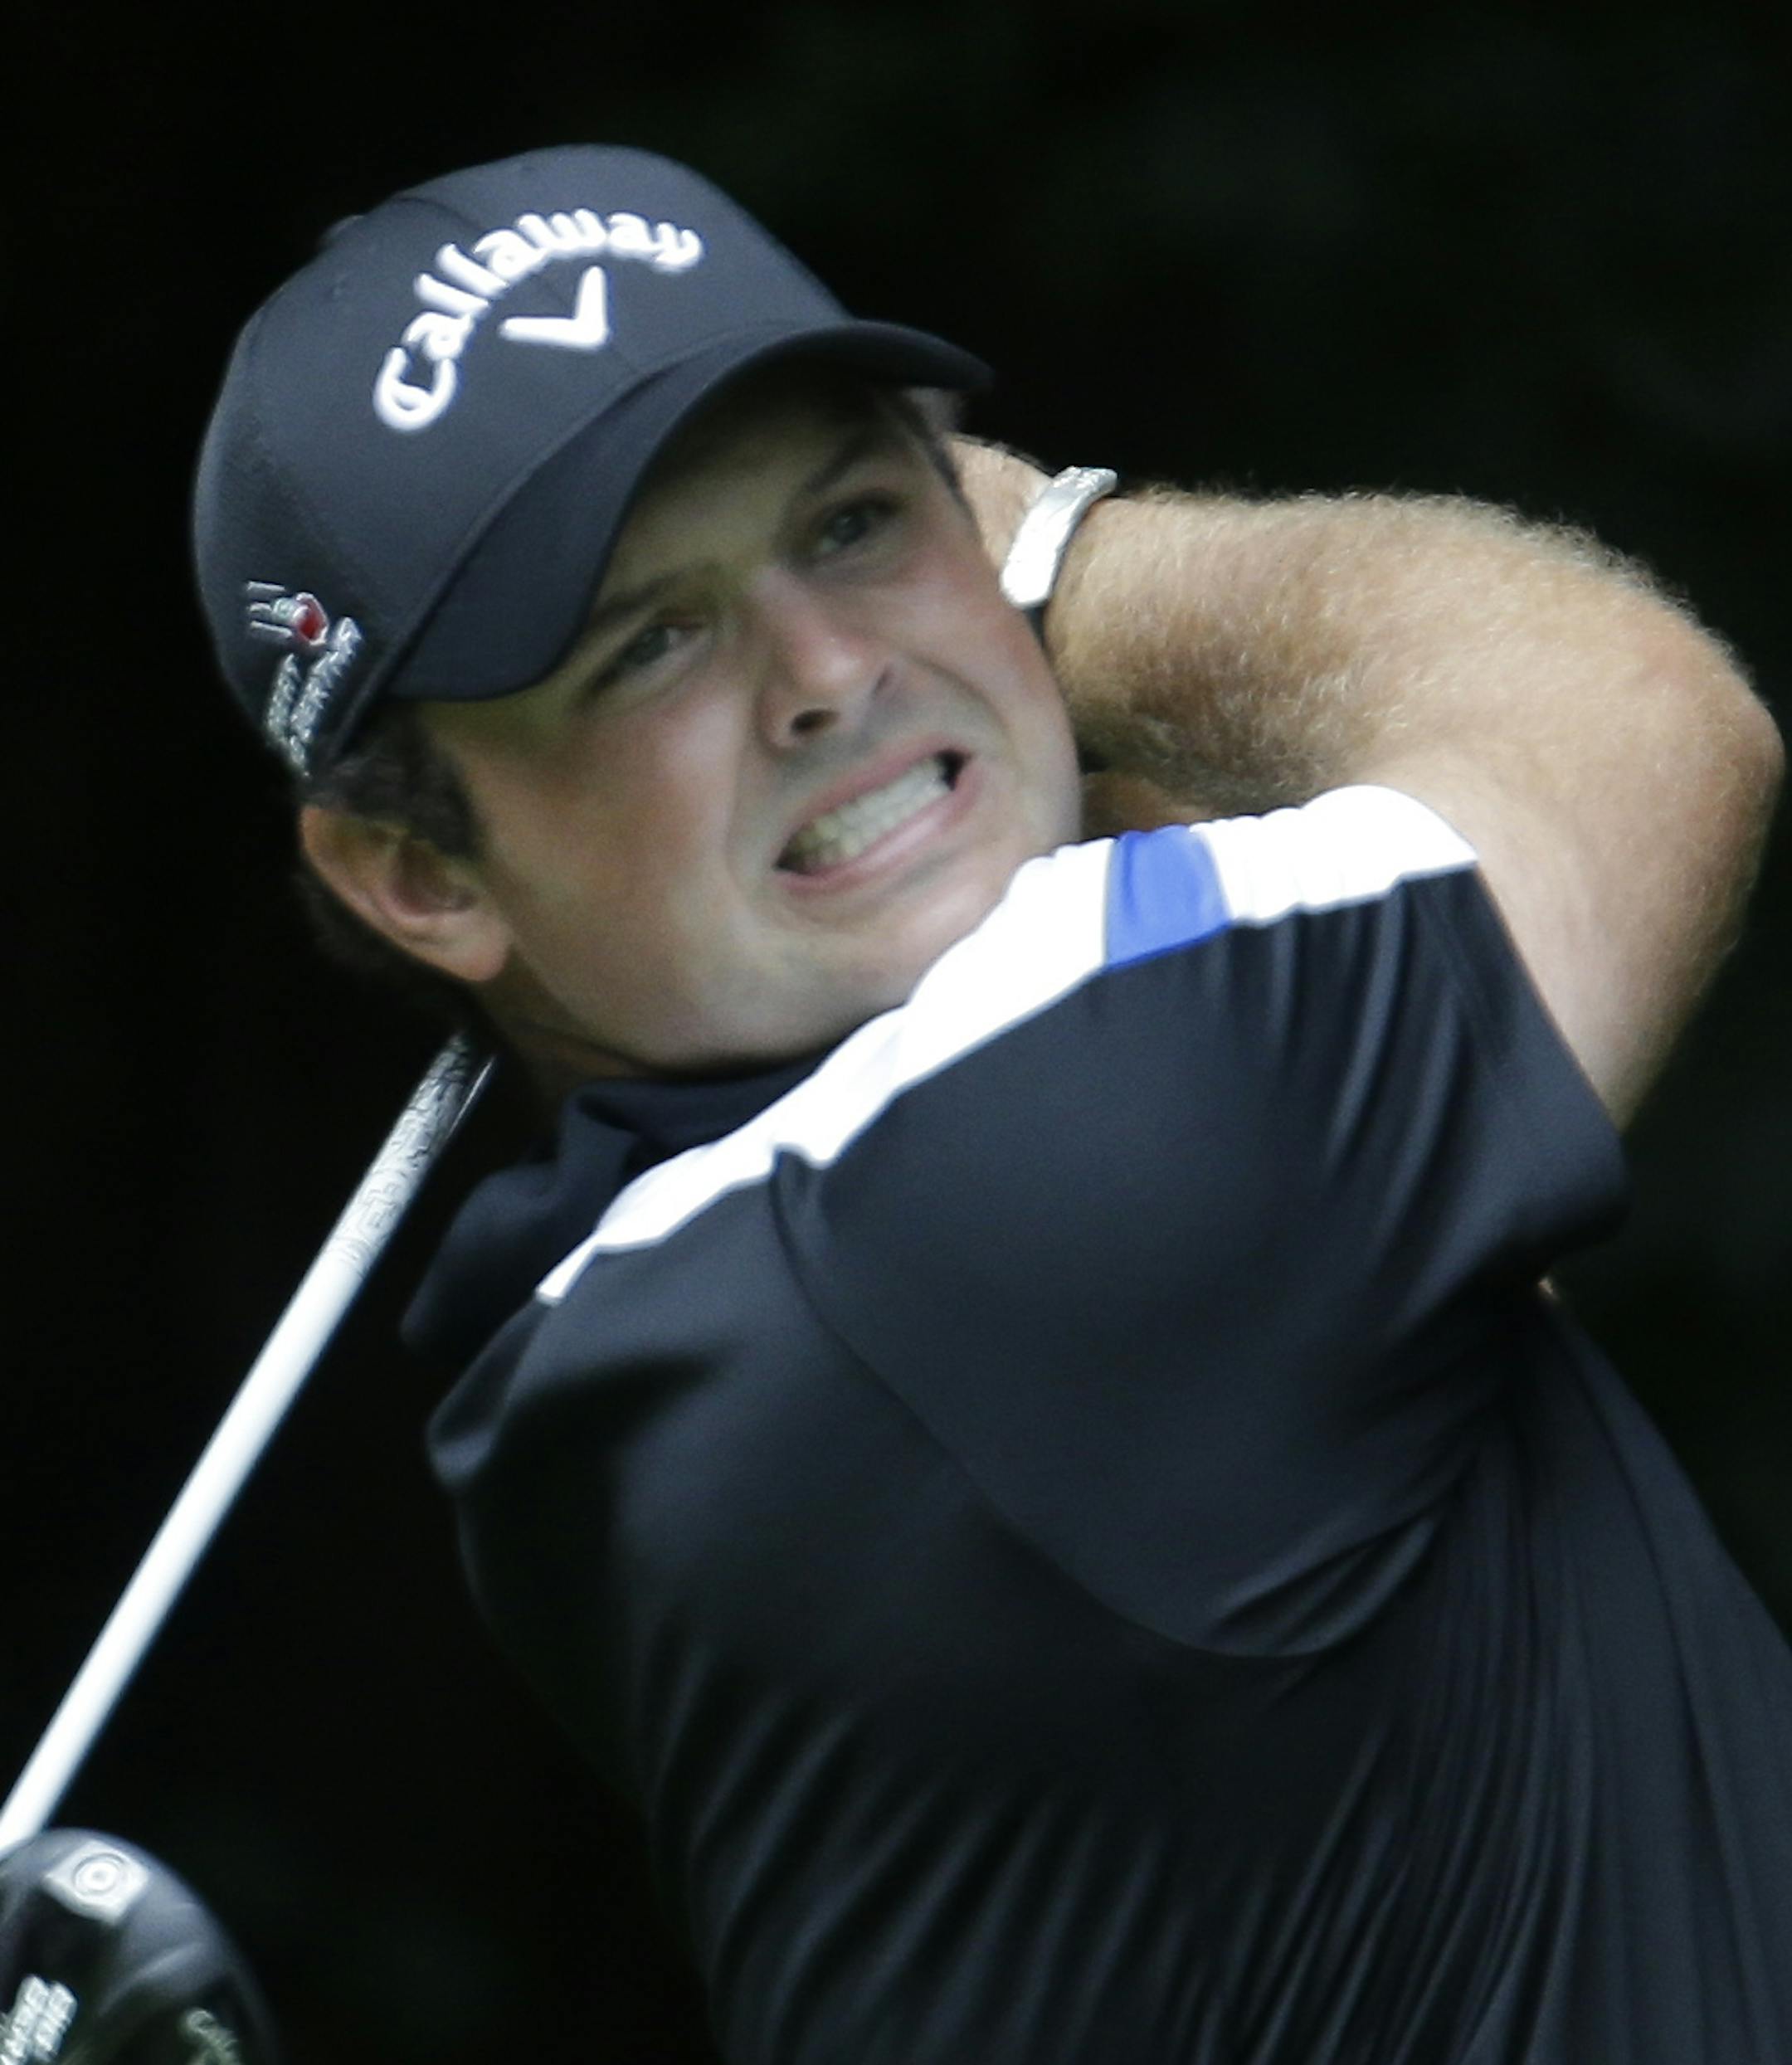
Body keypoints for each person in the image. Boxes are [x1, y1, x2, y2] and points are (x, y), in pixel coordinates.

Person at [194, 144, 1789, 2063]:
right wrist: (1052, 567)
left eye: (858, 523)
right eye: (650, 644)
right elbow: (1627, 715)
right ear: (422, 874)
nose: (831, 672)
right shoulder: (1026, 1194)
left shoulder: (606, 1362)